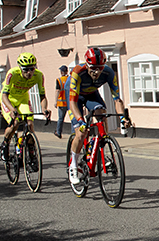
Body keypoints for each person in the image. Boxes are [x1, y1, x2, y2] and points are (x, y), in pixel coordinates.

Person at [66, 47, 130, 183]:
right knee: (81, 132)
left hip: (91, 94)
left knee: (102, 114)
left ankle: (101, 145)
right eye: (93, 68)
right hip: (74, 97)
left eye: (100, 68)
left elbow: (117, 99)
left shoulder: (108, 73)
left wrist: (123, 118)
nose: (97, 72)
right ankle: (73, 165)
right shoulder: (77, 72)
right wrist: (80, 121)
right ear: (87, 65)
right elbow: (72, 103)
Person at [0, 53, 50, 158]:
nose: (29, 72)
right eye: (25, 69)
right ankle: (5, 144)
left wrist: (44, 109)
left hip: (23, 99)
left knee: (30, 125)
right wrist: (12, 110)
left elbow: (42, 96)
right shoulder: (12, 74)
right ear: (20, 68)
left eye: (32, 69)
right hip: (9, 100)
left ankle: (31, 152)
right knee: (15, 123)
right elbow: (4, 95)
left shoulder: (38, 75)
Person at [54, 65, 69, 138]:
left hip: (62, 103)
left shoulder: (59, 80)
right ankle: (74, 132)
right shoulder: (70, 79)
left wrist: (55, 101)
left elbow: (57, 90)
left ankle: (58, 132)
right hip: (70, 103)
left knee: (60, 119)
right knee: (73, 118)